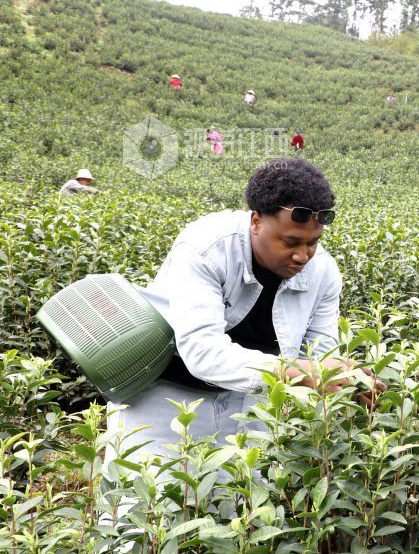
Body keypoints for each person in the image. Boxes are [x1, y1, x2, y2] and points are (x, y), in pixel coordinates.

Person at [109, 158, 383, 461]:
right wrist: (295, 372)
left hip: (248, 406)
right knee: (150, 499)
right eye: (290, 241)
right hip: (166, 401)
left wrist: (344, 379)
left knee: (236, 503)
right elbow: (203, 353)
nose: (302, 255)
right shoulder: (206, 249)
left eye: (313, 243)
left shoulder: (323, 272)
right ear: (256, 221)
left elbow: (319, 354)